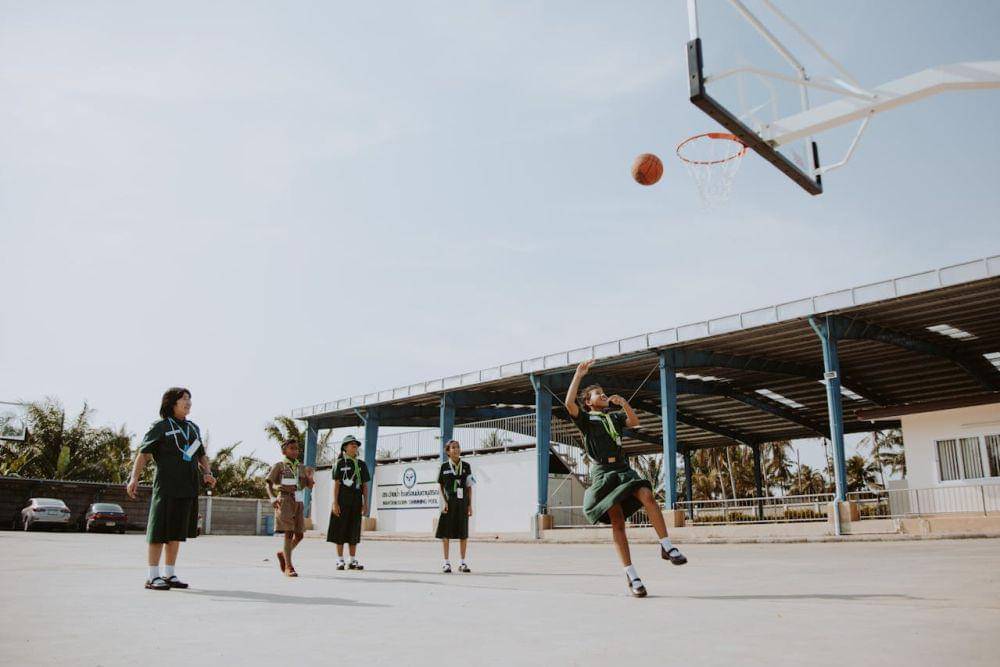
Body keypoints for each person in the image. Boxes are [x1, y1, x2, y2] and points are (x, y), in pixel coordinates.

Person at [564, 359, 687, 598]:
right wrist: (578, 375)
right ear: (588, 402)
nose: (603, 395)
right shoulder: (586, 420)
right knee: (617, 521)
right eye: (597, 394)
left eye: (603, 392)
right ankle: (632, 575)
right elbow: (569, 403)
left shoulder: (614, 417)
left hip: (622, 468)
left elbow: (634, 422)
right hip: (603, 472)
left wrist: (624, 404)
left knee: (647, 495)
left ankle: (666, 546)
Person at [127, 387, 216, 591]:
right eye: (184, 399)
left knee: (176, 533)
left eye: (190, 399)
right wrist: (134, 478)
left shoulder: (193, 428)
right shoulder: (161, 426)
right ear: (172, 403)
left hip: (187, 487)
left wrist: (207, 472)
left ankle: (169, 574)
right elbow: (143, 454)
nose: (188, 402)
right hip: (166, 487)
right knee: (159, 531)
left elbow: (200, 454)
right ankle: (152, 576)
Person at [266, 438, 314, 577]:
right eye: (291, 448)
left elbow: (309, 486)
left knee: (299, 535)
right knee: (289, 532)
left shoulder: (301, 467)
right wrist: (272, 497)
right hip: (285, 499)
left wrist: (310, 477)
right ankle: (289, 566)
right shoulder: (279, 466)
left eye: (296, 449)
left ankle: (284, 554)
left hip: (298, 500)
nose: (295, 451)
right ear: (284, 451)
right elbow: (268, 483)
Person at [327, 435, 370, 570]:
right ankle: (340, 560)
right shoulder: (339, 463)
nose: (354, 446)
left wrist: (365, 503)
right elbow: (337, 484)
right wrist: (335, 503)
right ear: (345, 447)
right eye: (351, 444)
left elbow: (364, 485)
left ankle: (352, 560)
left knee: (354, 531)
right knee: (340, 529)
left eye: (356, 444)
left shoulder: (361, 464)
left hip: (356, 501)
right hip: (342, 501)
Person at [435, 440, 474, 573]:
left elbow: (469, 487)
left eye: (458, 447)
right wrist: (444, 502)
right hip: (449, 504)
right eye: (453, 447)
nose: (456, 449)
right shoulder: (444, 466)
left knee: (463, 533)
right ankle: (446, 563)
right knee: (445, 533)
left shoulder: (466, 466)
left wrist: (469, 505)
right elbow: (440, 486)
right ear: (448, 451)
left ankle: (462, 563)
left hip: (462, 503)